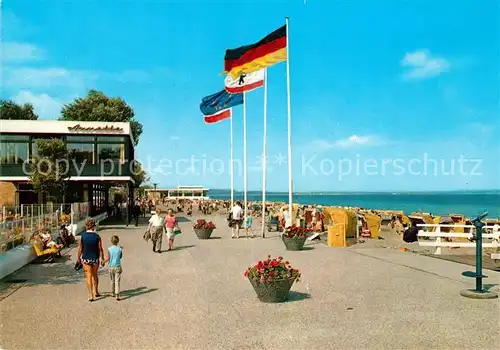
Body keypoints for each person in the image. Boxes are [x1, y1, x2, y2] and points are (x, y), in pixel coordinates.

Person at [78, 218, 104, 302]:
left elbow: (80, 249)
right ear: (93, 226)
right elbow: (100, 249)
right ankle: (96, 291)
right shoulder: (97, 237)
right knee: (95, 275)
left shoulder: (83, 236)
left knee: (88, 276)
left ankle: (90, 295)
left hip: (86, 259)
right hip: (95, 258)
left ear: (86, 226)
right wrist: (102, 258)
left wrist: (78, 258)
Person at [101, 235, 123, 301]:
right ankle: (117, 294)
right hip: (117, 266)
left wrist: (103, 262)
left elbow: (108, 258)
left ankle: (112, 292)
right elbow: (120, 257)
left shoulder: (109, 249)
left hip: (111, 266)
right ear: (118, 241)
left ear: (111, 241)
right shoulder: (119, 249)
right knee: (117, 281)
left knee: (112, 280)